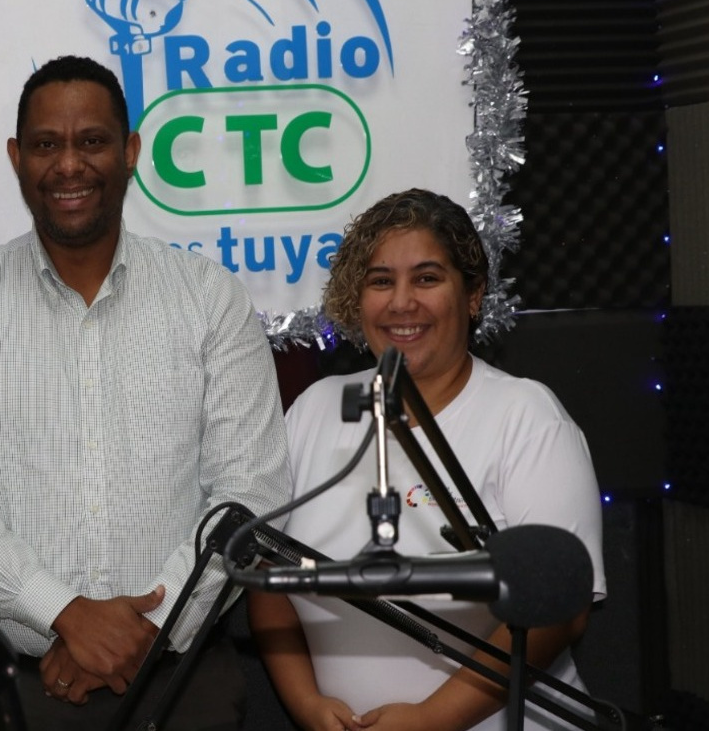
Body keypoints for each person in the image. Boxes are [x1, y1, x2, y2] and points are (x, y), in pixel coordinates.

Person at [0, 55, 290, 729]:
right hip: (12, 690)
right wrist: (65, 613)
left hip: (182, 682)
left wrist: (146, 630)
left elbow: (251, 492)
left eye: (93, 141)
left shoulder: (209, 298)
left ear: (129, 151)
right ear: (17, 158)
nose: (69, 165)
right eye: (47, 144)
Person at [249, 188, 607, 731]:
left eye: (427, 278)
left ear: (473, 295)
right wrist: (307, 704)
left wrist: (431, 720)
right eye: (380, 281)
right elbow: (268, 579)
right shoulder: (316, 409)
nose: (401, 303)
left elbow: (561, 611)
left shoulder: (528, 418)